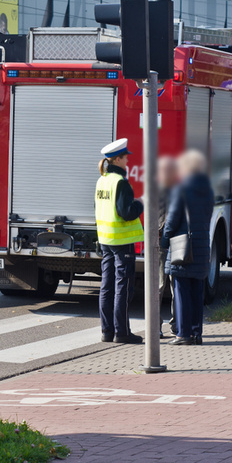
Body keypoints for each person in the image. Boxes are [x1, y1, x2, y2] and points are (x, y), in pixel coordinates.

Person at [161, 150, 214, 346]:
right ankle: (195, 333)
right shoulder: (207, 190)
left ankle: (182, 334)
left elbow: (172, 220)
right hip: (201, 246)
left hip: (182, 248)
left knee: (181, 291)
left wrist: (164, 242)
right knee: (196, 291)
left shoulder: (181, 189)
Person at [95, 138, 144, 345]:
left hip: (106, 239)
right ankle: (122, 332)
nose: (128, 162)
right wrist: (140, 204)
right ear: (117, 159)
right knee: (122, 287)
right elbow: (126, 213)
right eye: (125, 158)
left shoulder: (102, 180)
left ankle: (107, 331)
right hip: (121, 241)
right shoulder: (121, 183)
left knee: (106, 286)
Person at [157, 156, 179, 336]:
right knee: (167, 284)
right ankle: (164, 325)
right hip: (163, 242)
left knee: (170, 284)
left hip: (167, 241)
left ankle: (174, 324)